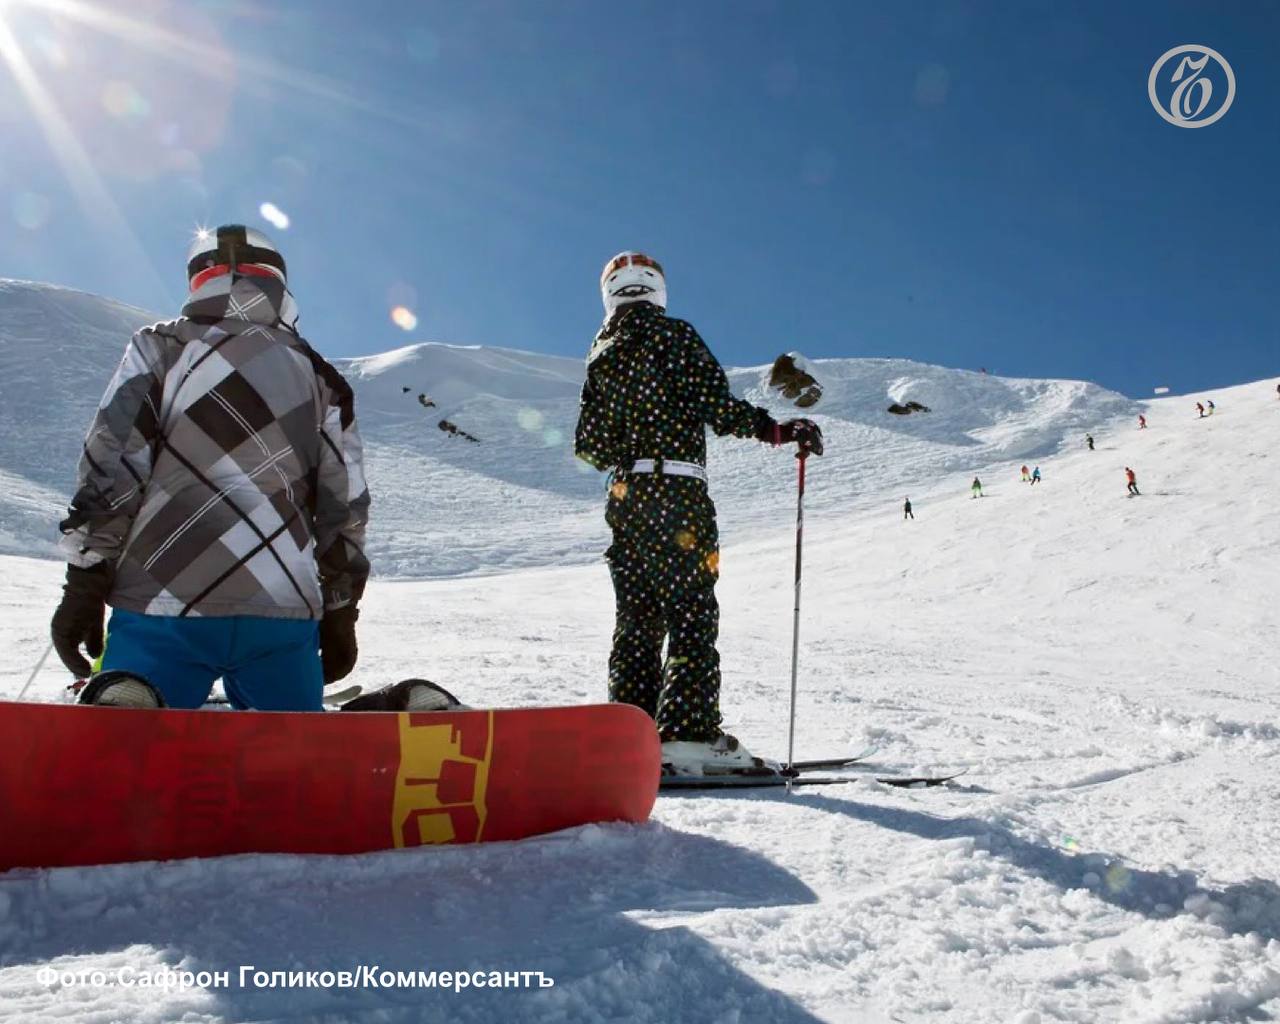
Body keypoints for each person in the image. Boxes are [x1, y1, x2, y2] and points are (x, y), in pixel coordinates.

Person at [50, 225, 370, 710]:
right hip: (282, 608)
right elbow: (343, 503)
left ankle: (130, 706)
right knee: (292, 747)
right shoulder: (319, 376)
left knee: (130, 734)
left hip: (163, 598)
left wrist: (86, 576)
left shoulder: (161, 347)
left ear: (199, 281)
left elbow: (114, 463)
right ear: (278, 283)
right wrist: (341, 608)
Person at [575, 251, 822, 775]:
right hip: (677, 489)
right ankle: (687, 736)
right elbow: (713, 402)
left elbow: (589, 446)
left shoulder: (600, 354)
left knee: (637, 617)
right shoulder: (673, 335)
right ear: (657, 290)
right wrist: (776, 430)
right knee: (690, 607)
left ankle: (630, 737)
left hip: (625, 495)